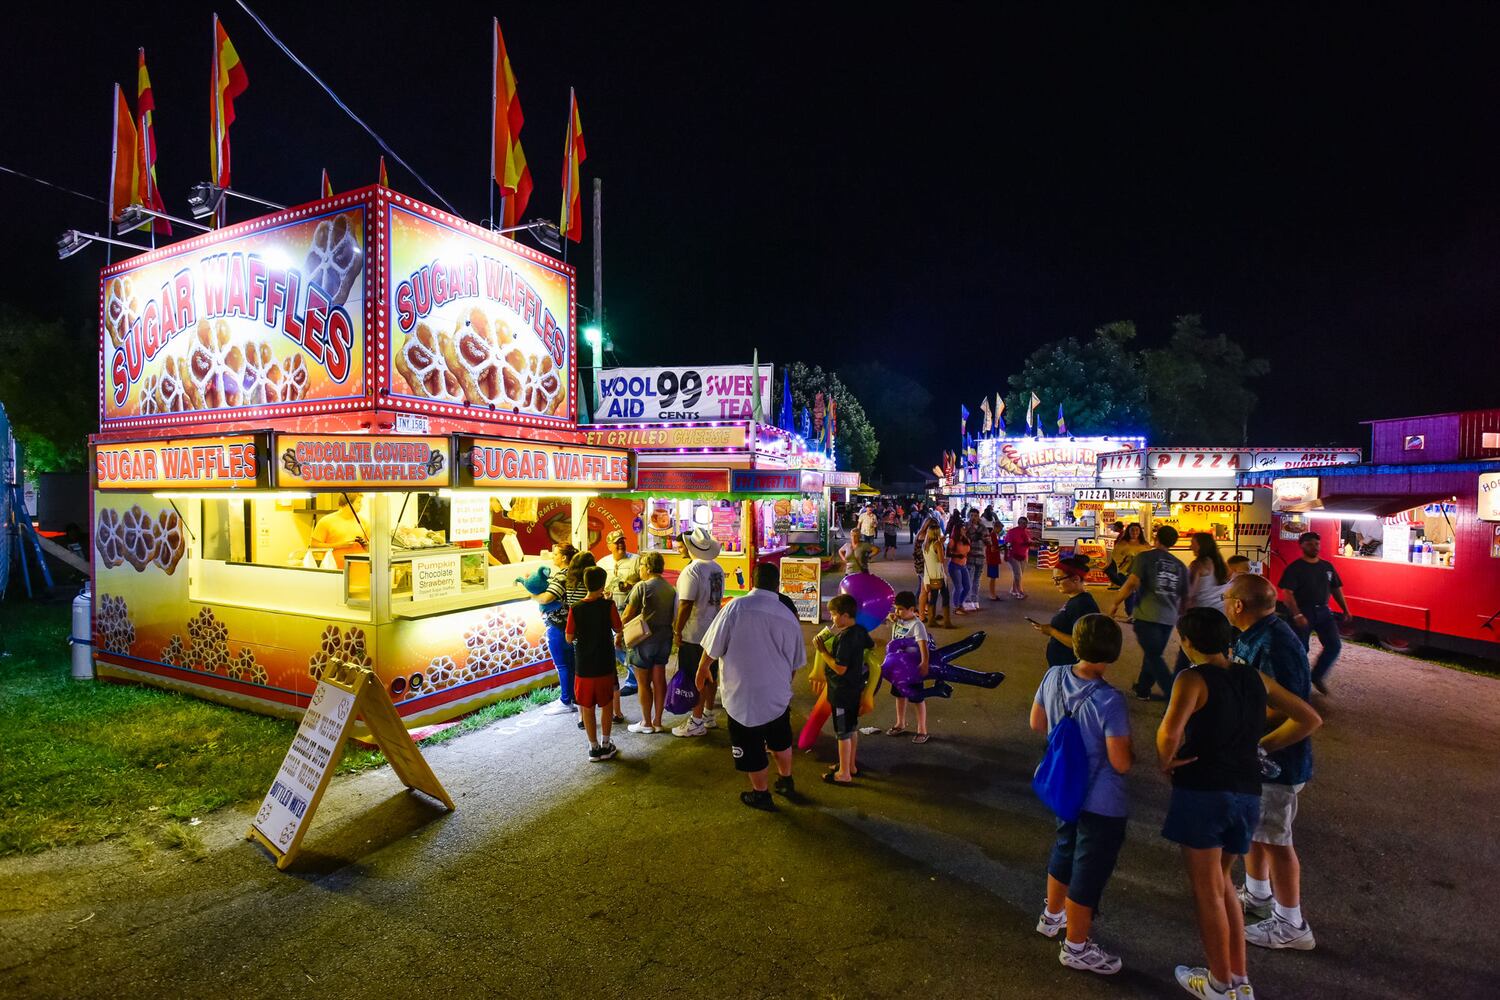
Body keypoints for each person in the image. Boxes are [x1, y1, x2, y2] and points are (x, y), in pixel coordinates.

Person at [1157, 607, 1322, 1000]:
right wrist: (1261, 746)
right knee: (1223, 883)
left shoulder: (1192, 678)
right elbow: (1308, 716)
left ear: (1188, 641)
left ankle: (1218, 983)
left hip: (1204, 791)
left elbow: (1169, 733)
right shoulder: (1254, 676)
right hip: (1247, 793)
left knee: (1207, 890)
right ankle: (1237, 980)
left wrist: (1166, 762)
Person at [1030, 614, 1133, 976]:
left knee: (1064, 847)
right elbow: (1120, 762)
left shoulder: (1054, 675)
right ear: (1114, 650)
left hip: (1065, 789)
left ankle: (1051, 916)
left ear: (1075, 645)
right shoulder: (1110, 700)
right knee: (1089, 870)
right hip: (1102, 801)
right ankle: (1076, 947)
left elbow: (1037, 723)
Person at [1225, 574, 1319, 953]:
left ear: (1238, 606)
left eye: (1226, 598)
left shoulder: (1274, 643)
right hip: (1261, 761)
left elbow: (1291, 708)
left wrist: (1255, 744)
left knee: (1278, 841)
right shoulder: (1257, 635)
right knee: (1259, 830)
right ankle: (1258, 894)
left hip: (1277, 764)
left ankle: (1290, 922)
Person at [697, 562, 807, 810]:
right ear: (777, 584)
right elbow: (795, 661)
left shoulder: (735, 607)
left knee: (750, 746)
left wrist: (702, 669)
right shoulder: (786, 614)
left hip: (741, 695)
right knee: (780, 740)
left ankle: (761, 793)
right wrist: (784, 684)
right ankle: (786, 779)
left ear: (751, 582)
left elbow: (712, 646)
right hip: (776, 695)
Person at [1109, 525, 1186, 701]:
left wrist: (1115, 603)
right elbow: (1184, 595)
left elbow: (1131, 583)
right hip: (1169, 618)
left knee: (1153, 655)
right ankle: (1143, 688)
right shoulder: (1180, 564)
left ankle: (1173, 694)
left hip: (1147, 614)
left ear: (1156, 539)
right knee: (1153, 652)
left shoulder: (1145, 557)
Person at [1278, 532, 1351, 694]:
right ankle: (1296, 684)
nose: (1315, 547)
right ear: (1302, 545)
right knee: (1300, 649)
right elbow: (1287, 594)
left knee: (1334, 646)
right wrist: (1297, 614)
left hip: (1323, 612)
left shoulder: (1327, 567)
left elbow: (1336, 589)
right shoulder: (1295, 568)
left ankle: (1316, 676)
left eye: (1317, 544)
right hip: (1302, 612)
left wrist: (1345, 609)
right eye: (1310, 544)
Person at [566, 566, 625, 761]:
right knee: (606, 705)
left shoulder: (575, 608)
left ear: (585, 583)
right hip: (604, 663)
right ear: (603, 584)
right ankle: (606, 744)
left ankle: (593, 747)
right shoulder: (608, 606)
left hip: (583, 666)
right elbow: (618, 627)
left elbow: (569, 637)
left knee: (588, 706)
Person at [672, 527, 726, 738]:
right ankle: (708, 714)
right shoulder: (717, 568)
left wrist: (677, 631)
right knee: (710, 674)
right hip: (713, 627)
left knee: (697, 676)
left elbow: (685, 604)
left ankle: (696, 721)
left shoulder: (691, 571)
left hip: (694, 632)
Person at [817, 593, 873, 785]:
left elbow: (840, 668)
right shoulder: (860, 631)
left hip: (841, 691)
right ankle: (849, 765)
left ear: (844, 615)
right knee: (851, 728)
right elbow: (869, 646)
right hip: (854, 688)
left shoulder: (845, 638)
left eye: (833, 614)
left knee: (842, 733)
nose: (832, 618)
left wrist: (823, 651)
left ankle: (844, 774)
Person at [623, 551, 675, 734]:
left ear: (648, 567)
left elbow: (628, 614)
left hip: (644, 640)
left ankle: (646, 722)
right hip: (665, 639)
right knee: (659, 679)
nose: (640, 569)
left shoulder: (642, 587)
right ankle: (658, 721)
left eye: (642, 566)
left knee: (643, 682)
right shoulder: (670, 589)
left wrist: (619, 628)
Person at [1030, 555, 1101, 666]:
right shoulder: (1075, 600)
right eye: (1054, 579)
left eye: (1058, 579)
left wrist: (1052, 631)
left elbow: (1082, 644)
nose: (1055, 583)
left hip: (1069, 666)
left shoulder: (1083, 605)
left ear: (1076, 579)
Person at [1175, 533, 1231, 675]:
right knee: (1219, 652)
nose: (1190, 546)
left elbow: (1189, 593)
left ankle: (1176, 687)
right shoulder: (1222, 565)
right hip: (1220, 614)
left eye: (1193, 543)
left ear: (1201, 545)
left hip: (1200, 617)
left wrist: (1181, 616)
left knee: (1187, 652)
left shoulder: (1197, 565)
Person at [536, 544, 579, 716]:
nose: (552, 557)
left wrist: (532, 595)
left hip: (558, 625)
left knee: (562, 664)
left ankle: (565, 701)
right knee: (570, 664)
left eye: (555, 554)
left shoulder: (562, 576)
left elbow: (547, 598)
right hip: (570, 626)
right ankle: (573, 697)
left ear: (563, 558)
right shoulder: (574, 574)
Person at [885, 591, 932, 743]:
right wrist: (891, 616)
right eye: (896, 608)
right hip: (898, 669)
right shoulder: (899, 620)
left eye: (900, 609)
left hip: (912, 668)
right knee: (899, 695)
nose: (897, 612)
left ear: (911, 609)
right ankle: (900, 723)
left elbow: (923, 645)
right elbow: (886, 616)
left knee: (917, 698)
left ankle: (922, 729)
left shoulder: (917, 625)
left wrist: (924, 663)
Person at [598, 530, 641, 696]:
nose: (620, 544)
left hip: (629, 610)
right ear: (609, 546)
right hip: (609, 610)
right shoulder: (602, 563)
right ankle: (637, 673)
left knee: (630, 645)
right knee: (613, 646)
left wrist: (630, 586)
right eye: (616, 542)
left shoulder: (636, 560)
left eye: (622, 541)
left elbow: (643, 582)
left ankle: (633, 681)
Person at [309, 492, 367, 569]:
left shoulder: (363, 522)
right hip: (336, 569)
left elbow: (370, 546)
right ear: (348, 503)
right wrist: (341, 545)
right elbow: (314, 546)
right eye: (358, 502)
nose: (361, 505)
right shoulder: (326, 521)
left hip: (360, 568)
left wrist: (365, 544)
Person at [923, 523, 954, 628]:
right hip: (938, 574)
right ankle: (947, 622)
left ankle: (931, 620)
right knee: (945, 597)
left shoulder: (925, 545)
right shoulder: (937, 544)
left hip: (930, 575)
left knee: (933, 597)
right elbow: (941, 560)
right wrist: (942, 546)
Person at [945, 517, 973, 616]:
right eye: (962, 528)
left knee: (967, 587)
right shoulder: (953, 541)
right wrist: (957, 555)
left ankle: (960, 603)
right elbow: (947, 554)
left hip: (963, 565)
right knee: (958, 587)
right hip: (954, 565)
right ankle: (956, 606)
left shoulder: (966, 539)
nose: (964, 530)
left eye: (964, 528)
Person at [964, 508, 988, 611]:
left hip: (980, 556)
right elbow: (964, 539)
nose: (974, 517)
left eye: (976, 515)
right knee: (969, 579)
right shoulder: (966, 527)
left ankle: (975, 600)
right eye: (972, 515)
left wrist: (984, 538)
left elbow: (988, 541)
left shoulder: (983, 527)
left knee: (977, 580)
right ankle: (967, 600)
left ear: (979, 516)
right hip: (970, 555)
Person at [1004, 517, 1032, 599]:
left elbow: (1029, 542)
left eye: (1025, 523)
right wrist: (1006, 555)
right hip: (1013, 555)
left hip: (1023, 555)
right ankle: (1020, 591)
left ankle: (1013, 589)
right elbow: (1007, 544)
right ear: (1018, 523)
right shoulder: (1012, 532)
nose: (1024, 525)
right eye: (1022, 523)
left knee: (1019, 574)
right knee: (1018, 574)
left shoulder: (1027, 532)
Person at [984, 527, 1005, 600]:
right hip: (993, 559)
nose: (1000, 530)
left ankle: (993, 593)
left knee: (993, 577)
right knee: (993, 577)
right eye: (1000, 529)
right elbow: (992, 549)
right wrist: (1002, 548)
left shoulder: (993, 536)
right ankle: (992, 594)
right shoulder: (992, 536)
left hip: (993, 559)